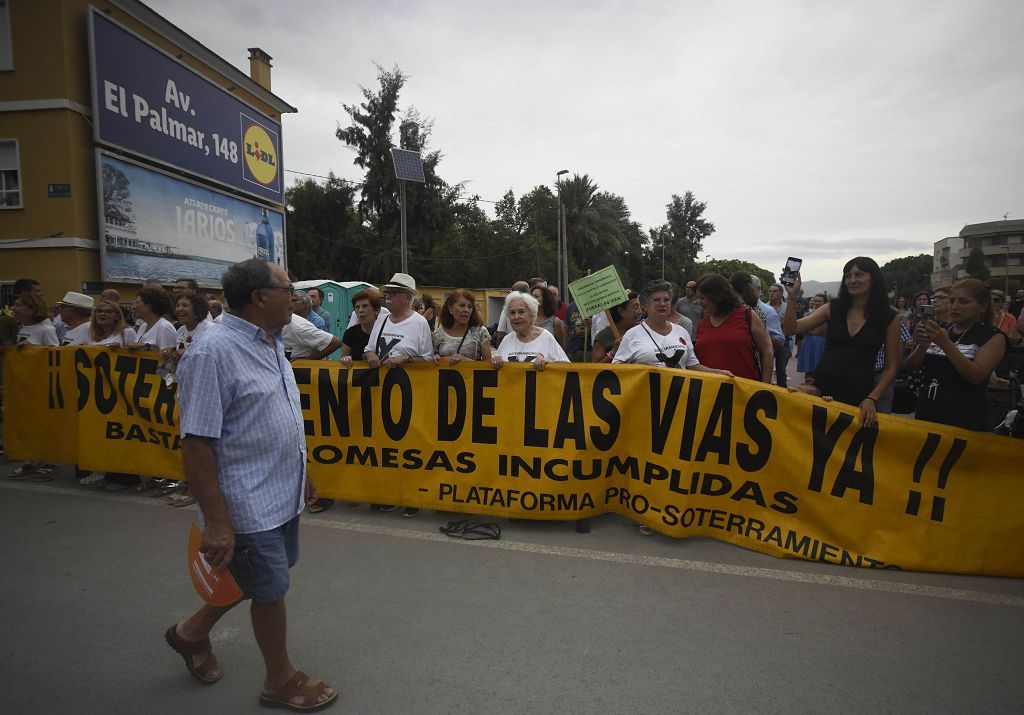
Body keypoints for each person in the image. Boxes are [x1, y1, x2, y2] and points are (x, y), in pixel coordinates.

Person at [169, 259, 337, 711]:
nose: (297, 297)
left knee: (257, 576)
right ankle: (279, 681)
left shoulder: (272, 339)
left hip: (279, 491)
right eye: (288, 288)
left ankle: (191, 633)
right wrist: (219, 523)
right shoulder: (211, 352)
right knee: (269, 590)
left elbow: (273, 416)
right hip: (245, 503)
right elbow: (196, 443)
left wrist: (302, 473)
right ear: (260, 298)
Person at [614, 280, 732, 535]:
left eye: (666, 299)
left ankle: (671, 507)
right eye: (656, 300)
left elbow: (693, 365)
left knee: (676, 460)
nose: (662, 304)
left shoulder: (680, 332)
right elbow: (617, 371)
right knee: (649, 461)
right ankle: (645, 510)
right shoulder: (632, 336)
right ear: (644, 306)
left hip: (680, 407)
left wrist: (717, 373)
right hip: (646, 410)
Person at [782, 257, 901, 427]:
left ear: (873, 278)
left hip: (860, 395)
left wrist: (872, 398)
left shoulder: (890, 317)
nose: (852, 280)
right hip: (822, 391)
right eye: (848, 275)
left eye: (859, 275)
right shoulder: (832, 308)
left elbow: (892, 367)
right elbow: (791, 329)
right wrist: (792, 296)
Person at [364, 273, 434, 518]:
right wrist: (370, 355)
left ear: (407, 297)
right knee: (386, 447)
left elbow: (428, 359)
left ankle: (412, 496)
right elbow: (369, 348)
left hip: (409, 395)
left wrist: (406, 359)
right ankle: (389, 493)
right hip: (382, 394)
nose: (388, 298)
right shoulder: (382, 320)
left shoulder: (419, 323)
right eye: (387, 293)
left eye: (393, 293)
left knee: (411, 447)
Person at [907, 279, 1008, 431]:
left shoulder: (993, 336)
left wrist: (946, 344)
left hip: (966, 419)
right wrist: (922, 346)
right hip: (928, 412)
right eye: (952, 301)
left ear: (982, 306)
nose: (955, 307)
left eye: (963, 302)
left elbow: (976, 376)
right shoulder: (943, 330)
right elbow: (912, 365)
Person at [7, 291, 60, 481]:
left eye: (20, 305)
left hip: (42, 385)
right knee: (28, 423)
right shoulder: (21, 327)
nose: (14, 308)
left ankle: (50, 460)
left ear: (32, 309)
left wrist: (33, 349)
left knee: (44, 424)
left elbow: (56, 356)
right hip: (24, 384)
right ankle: (32, 458)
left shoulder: (46, 330)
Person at [694, 274, 773, 383]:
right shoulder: (702, 323)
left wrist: (765, 389)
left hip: (745, 391)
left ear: (716, 296)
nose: (698, 302)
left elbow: (767, 352)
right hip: (709, 392)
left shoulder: (748, 315)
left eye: (702, 298)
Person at [491, 291, 569, 368]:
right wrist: (495, 360)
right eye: (512, 313)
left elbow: (566, 367)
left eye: (521, 312)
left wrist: (548, 364)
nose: (516, 317)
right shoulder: (507, 339)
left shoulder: (546, 337)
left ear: (532, 314)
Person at [433, 289, 492, 364]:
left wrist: (464, 361)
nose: (466, 310)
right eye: (462, 306)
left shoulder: (481, 332)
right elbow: (431, 358)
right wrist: (435, 358)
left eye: (470, 307)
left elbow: (488, 365)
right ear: (450, 308)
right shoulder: (439, 333)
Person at [591, 291, 640, 363]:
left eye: (640, 307)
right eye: (636, 307)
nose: (640, 311)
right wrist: (613, 352)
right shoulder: (604, 336)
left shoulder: (641, 332)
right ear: (621, 311)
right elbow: (594, 369)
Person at [339, 290, 380, 368]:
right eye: (357, 307)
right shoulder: (350, 333)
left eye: (365, 306)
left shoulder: (385, 331)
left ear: (376, 310)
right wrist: (345, 359)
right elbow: (342, 359)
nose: (360, 310)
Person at [796, 294, 827, 383]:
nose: (816, 303)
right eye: (815, 301)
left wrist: (811, 330)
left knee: (820, 370)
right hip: (808, 345)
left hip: (821, 345)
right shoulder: (807, 314)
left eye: (819, 301)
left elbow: (822, 331)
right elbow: (803, 329)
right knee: (808, 370)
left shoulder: (828, 316)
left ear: (825, 303)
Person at [531, 284, 567, 350]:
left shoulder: (555, 322)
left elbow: (561, 348)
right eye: (531, 296)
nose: (532, 299)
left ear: (544, 299)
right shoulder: (526, 321)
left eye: (536, 296)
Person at [494, 280, 530, 345]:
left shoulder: (507, 308)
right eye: (513, 313)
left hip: (513, 347)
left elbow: (500, 334)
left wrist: (500, 350)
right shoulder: (534, 307)